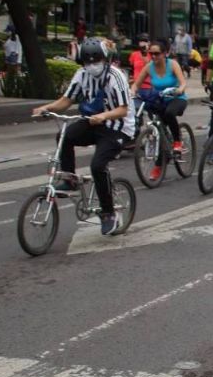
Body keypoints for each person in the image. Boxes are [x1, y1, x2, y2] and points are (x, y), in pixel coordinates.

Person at [31, 38, 135, 235]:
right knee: (65, 136)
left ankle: (108, 213)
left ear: (106, 59)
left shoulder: (116, 77)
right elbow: (66, 101)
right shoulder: (81, 75)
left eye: (96, 61)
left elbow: (123, 109)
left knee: (97, 165)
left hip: (117, 127)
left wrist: (104, 115)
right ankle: (70, 179)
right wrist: (46, 108)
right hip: (92, 122)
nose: (92, 66)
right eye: (88, 62)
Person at [131, 39, 188, 181]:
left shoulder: (173, 64)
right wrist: (132, 92)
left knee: (169, 114)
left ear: (165, 54)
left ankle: (177, 141)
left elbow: (182, 82)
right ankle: (160, 164)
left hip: (176, 99)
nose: (154, 57)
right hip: (159, 100)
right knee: (159, 131)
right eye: (151, 54)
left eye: (157, 54)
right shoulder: (149, 67)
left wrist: (180, 89)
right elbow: (136, 84)